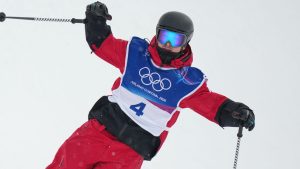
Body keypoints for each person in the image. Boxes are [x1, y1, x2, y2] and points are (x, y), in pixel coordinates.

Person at [46, 1, 255, 169]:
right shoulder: (135, 54)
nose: (168, 45)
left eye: (175, 40)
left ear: (186, 42)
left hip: (130, 151)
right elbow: (103, 45)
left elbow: (211, 104)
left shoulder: (188, 82)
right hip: (98, 131)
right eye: (165, 37)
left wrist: (234, 111)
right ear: (157, 32)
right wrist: (96, 20)